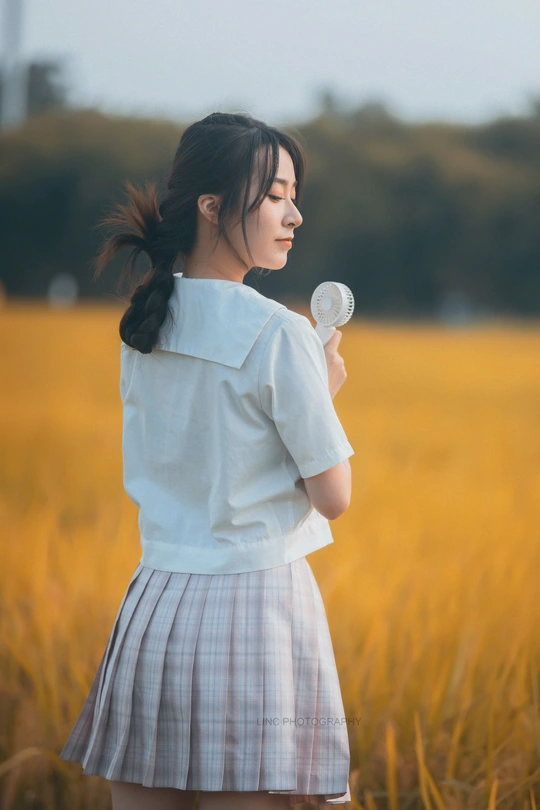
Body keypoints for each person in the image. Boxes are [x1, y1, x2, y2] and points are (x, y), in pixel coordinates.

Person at [59, 111, 354, 810]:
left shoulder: (144, 320)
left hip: (154, 606)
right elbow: (333, 494)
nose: (296, 214)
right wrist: (326, 393)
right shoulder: (281, 332)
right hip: (255, 609)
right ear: (212, 206)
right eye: (277, 195)